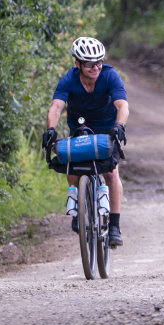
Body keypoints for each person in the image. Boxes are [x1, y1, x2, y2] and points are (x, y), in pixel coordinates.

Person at [43, 37, 128, 247]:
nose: (95, 67)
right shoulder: (68, 80)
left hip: (107, 128)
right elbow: (56, 107)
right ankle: (78, 210)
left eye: (98, 62)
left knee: (110, 172)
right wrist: (50, 130)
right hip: (80, 128)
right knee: (74, 165)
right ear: (78, 64)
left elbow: (122, 105)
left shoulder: (109, 76)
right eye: (89, 64)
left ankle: (115, 226)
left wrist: (120, 125)